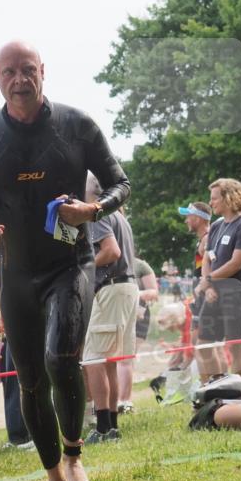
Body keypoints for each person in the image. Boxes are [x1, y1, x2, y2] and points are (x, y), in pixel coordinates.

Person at [0, 40, 129, 481]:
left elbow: (120, 183)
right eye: (9, 72)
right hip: (16, 273)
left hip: (69, 265)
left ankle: (74, 457)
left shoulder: (77, 125)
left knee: (60, 359)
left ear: (43, 72)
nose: (19, 79)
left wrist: (92, 210)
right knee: (28, 377)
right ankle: (52, 478)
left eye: (28, 70)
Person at [83, 175, 138, 443]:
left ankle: (103, 427)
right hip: (125, 288)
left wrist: (82, 267)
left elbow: (111, 251)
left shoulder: (97, 213)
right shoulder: (119, 216)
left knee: (93, 359)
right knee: (108, 362)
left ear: (91, 190)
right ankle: (111, 426)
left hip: (111, 288)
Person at [196, 178, 241, 380]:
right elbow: (207, 257)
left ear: (229, 198)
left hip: (236, 293)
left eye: (214, 198)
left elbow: (235, 264)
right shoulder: (215, 226)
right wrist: (208, 286)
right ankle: (213, 388)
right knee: (204, 344)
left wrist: (208, 280)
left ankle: (237, 392)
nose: (211, 203)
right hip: (214, 292)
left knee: (235, 347)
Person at [117, 256, 158, 414]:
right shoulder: (109, 262)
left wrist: (132, 294)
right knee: (115, 359)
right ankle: (116, 400)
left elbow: (153, 292)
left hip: (139, 316)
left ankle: (125, 400)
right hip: (116, 313)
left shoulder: (141, 266)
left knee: (127, 358)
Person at [179, 200, 211, 361]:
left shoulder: (208, 239)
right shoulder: (203, 239)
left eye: (188, 216)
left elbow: (211, 270)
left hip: (206, 297)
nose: (186, 220)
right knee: (196, 341)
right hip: (200, 297)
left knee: (203, 343)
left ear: (198, 219)